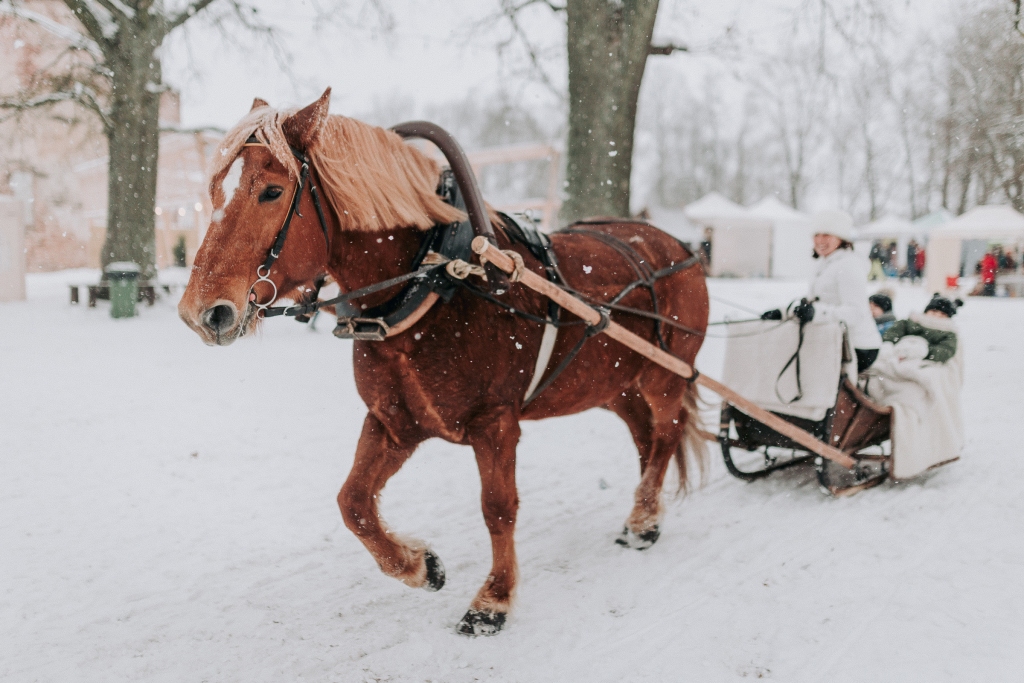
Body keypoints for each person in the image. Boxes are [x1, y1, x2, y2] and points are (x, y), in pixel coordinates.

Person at [762, 209, 882, 372]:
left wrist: (815, 313)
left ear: (841, 238)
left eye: (827, 235)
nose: (820, 240)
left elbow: (855, 312)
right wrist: (785, 312)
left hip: (859, 347)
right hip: (833, 341)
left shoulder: (848, 266)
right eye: (816, 234)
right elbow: (817, 302)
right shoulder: (825, 264)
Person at [864, 294, 965, 479]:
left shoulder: (948, 333)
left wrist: (922, 351)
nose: (936, 316)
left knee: (918, 388)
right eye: (933, 311)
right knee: (876, 372)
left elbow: (945, 352)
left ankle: (912, 427)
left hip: (918, 363)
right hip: (895, 358)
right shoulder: (910, 322)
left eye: (942, 314)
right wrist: (890, 345)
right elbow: (893, 333)